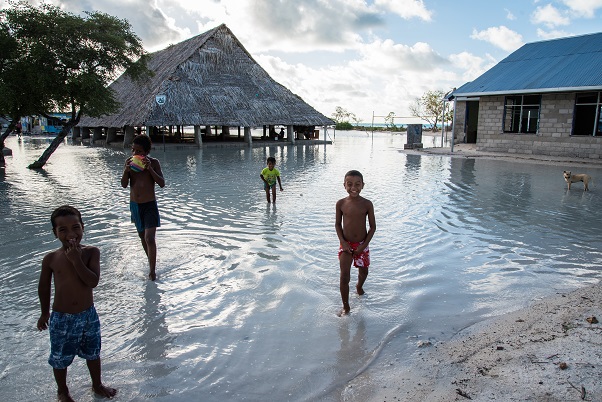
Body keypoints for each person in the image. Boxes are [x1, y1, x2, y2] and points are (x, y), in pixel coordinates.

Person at [37, 205, 117, 401]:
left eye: (75, 227)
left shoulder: (91, 253)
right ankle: (62, 391)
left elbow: (93, 282)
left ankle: (97, 384)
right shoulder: (51, 259)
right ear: (54, 233)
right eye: (62, 230)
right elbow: (44, 287)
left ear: (83, 227)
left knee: (93, 352)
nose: (71, 234)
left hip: (88, 315)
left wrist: (76, 261)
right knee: (60, 358)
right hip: (61, 318)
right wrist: (44, 312)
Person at [121, 134, 165, 280]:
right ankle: (151, 261)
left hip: (150, 205)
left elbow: (162, 183)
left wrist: (150, 169)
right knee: (142, 236)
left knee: (149, 238)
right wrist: (126, 171)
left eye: (139, 151)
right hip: (135, 206)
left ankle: (152, 272)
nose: (135, 154)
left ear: (146, 152)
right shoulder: (129, 162)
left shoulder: (154, 162)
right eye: (133, 150)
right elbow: (124, 184)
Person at [335, 170, 376, 316]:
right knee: (344, 276)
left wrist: (363, 246)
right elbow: (338, 225)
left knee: (363, 271)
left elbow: (372, 227)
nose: (354, 187)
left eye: (357, 184)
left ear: (363, 185)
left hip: (362, 245)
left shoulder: (367, 204)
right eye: (350, 184)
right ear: (344, 185)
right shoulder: (341, 203)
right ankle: (346, 307)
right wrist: (343, 243)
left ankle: (359, 287)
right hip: (345, 245)